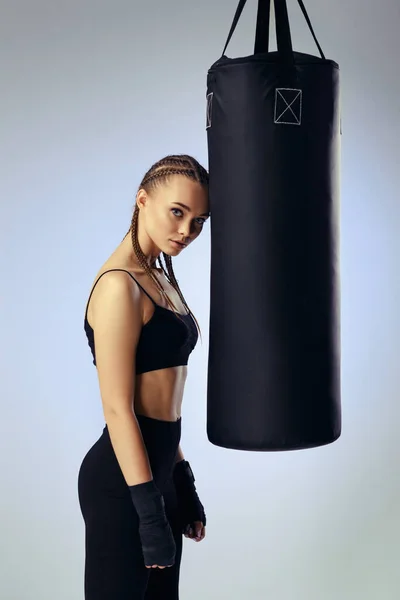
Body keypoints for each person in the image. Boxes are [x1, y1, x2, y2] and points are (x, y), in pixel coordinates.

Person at [77, 154, 210, 599]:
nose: (187, 231)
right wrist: (148, 512)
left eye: (199, 220)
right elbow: (119, 409)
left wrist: (182, 481)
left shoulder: (160, 279)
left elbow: (165, 406)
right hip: (123, 485)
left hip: (159, 477)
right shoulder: (119, 286)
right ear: (142, 199)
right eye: (178, 212)